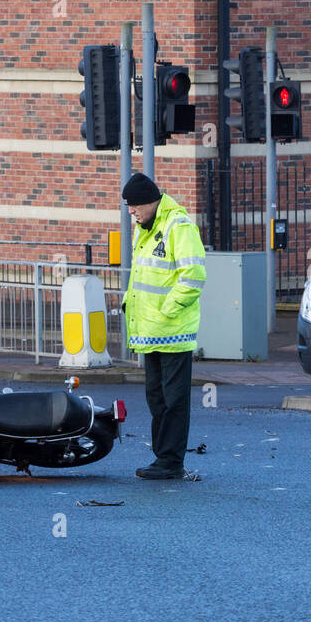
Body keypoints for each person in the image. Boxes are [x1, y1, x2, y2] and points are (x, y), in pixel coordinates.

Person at [122, 173, 206, 480]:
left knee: (174, 401)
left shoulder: (178, 226)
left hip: (173, 331)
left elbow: (193, 277)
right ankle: (162, 458)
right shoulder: (146, 228)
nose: (131, 212)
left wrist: (166, 310)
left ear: (150, 202)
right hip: (151, 332)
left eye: (134, 206)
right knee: (156, 399)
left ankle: (171, 461)